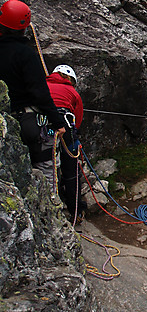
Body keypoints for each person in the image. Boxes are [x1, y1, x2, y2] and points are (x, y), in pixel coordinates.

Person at [0, 0, 66, 186]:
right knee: (47, 169)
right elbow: (40, 93)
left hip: (6, 122)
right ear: (24, 27)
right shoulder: (25, 54)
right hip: (29, 121)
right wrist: (58, 122)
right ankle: (53, 209)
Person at [46, 64, 85, 222]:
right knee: (71, 172)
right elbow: (78, 118)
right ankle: (76, 212)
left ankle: (50, 208)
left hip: (45, 130)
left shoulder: (43, 85)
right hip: (67, 130)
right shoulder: (72, 92)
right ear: (70, 79)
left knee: (48, 168)